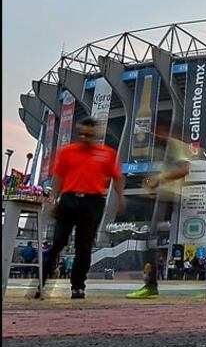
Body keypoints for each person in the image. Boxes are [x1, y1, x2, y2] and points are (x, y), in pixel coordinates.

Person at [37, 118, 125, 300]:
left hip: (92, 202)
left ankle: (78, 286)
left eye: (89, 135)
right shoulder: (67, 152)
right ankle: (41, 282)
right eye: (82, 134)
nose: (85, 138)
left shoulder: (107, 154)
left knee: (83, 247)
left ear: (97, 135)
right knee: (58, 243)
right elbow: (58, 178)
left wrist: (120, 198)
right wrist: (53, 200)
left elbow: (117, 177)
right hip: (69, 200)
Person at [127, 120, 194, 299]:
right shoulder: (164, 149)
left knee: (150, 240)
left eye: (158, 130)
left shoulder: (177, 145)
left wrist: (160, 178)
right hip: (163, 195)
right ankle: (150, 283)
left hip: (169, 197)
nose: (155, 135)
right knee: (149, 241)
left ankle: (150, 285)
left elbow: (185, 169)